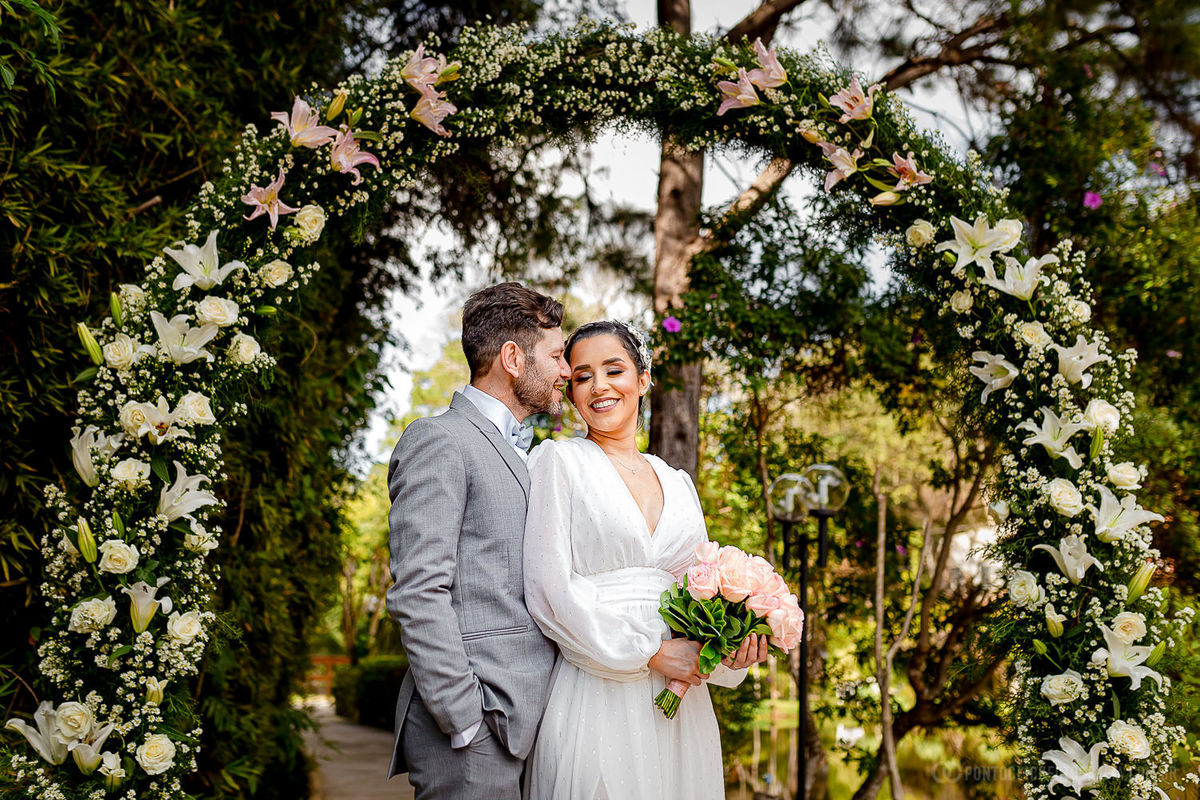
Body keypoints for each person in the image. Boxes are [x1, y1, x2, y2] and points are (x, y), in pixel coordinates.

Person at [523, 320, 770, 800]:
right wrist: (652, 653)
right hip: (599, 684)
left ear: (643, 378)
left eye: (614, 370)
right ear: (571, 392)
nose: (599, 386)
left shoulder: (678, 482)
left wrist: (731, 644)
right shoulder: (558, 462)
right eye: (582, 376)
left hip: (681, 698)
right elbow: (549, 590)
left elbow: (698, 590)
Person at [385, 282, 570, 800]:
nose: (565, 370)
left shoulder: (529, 454)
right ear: (513, 358)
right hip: (475, 730)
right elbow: (418, 590)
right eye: (555, 354)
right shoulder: (440, 439)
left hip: (522, 724)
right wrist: (464, 719)